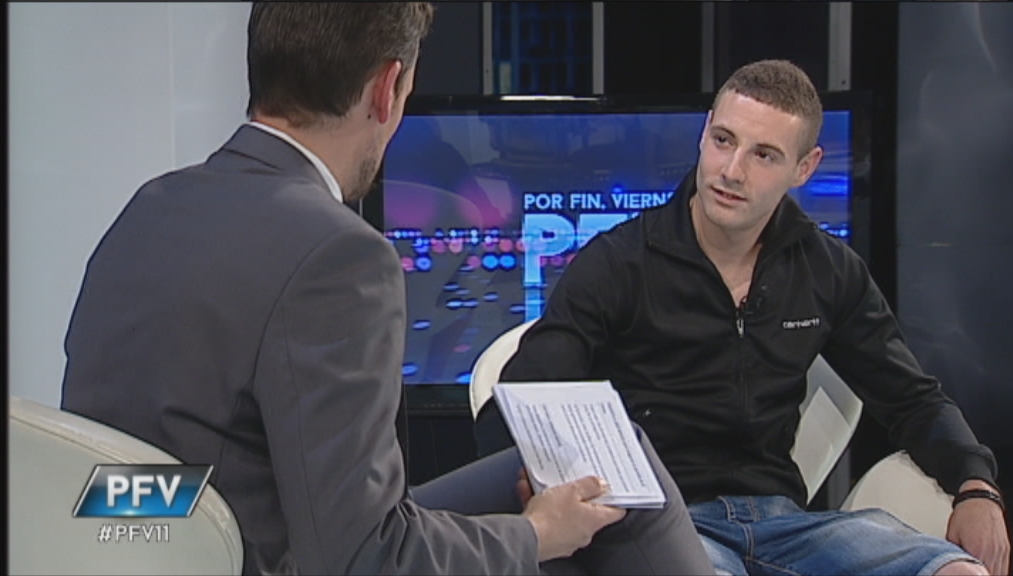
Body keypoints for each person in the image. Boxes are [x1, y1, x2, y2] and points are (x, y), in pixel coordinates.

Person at [60, 3, 713, 575]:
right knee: (609, 500)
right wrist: (537, 535)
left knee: (597, 482)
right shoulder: (336, 253)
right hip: (268, 556)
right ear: (386, 88)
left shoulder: (152, 207)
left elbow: (141, 488)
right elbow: (366, 559)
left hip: (155, 544)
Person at [475, 59, 1011, 576]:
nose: (731, 171)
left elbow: (912, 399)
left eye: (764, 155)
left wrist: (976, 487)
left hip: (786, 524)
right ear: (704, 133)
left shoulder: (827, 270)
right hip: (665, 523)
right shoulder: (618, 262)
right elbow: (518, 401)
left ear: (804, 167)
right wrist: (533, 493)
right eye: (724, 140)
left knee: (957, 571)